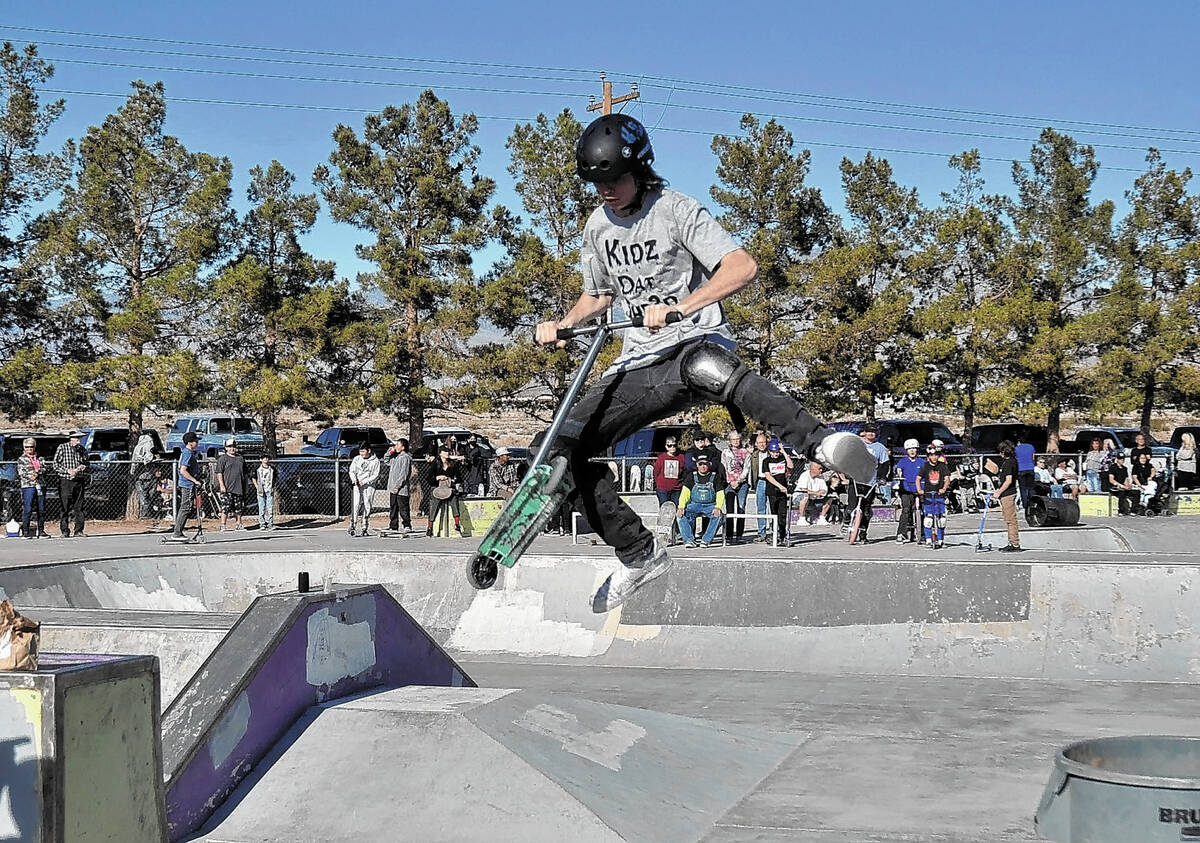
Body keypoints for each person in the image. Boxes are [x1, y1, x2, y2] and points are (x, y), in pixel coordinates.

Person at [533, 112, 873, 611]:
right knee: (558, 449)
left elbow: (742, 266)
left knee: (707, 367)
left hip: (692, 341)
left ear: (640, 168)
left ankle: (821, 443)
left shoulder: (676, 210)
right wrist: (561, 324)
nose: (607, 191)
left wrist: (680, 307)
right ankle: (638, 551)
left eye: (615, 180)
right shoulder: (595, 228)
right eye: (597, 183)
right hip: (636, 363)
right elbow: (598, 296)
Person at [676, 454, 725, 548]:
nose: (703, 466)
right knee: (680, 515)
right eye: (700, 464)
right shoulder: (691, 476)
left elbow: (720, 493)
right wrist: (681, 507)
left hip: (710, 505)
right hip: (694, 504)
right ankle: (689, 540)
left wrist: (718, 507)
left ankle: (706, 540)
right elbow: (685, 493)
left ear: (709, 465)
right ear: (697, 465)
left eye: (705, 464)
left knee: (719, 516)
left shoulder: (715, 477)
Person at [53, 429, 89, 538]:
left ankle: (79, 530)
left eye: (80, 438)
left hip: (78, 480)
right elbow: (55, 464)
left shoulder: (82, 450)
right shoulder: (62, 447)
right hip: (66, 480)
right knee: (65, 506)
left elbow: (86, 463)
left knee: (79, 506)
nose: (79, 440)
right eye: (77, 438)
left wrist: (80, 468)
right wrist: (68, 470)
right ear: (71, 438)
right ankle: (64, 530)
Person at [916, 443, 952, 549]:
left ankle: (941, 540)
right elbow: (918, 478)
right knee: (928, 519)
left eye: (936, 455)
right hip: (928, 495)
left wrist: (944, 488)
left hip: (940, 495)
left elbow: (947, 479)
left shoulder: (942, 466)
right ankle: (928, 539)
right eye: (931, 455)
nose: (934, 457)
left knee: (941, 519)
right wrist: (919, 490)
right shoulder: (925, 466)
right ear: (928, 456)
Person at [169, 432, 203, 540]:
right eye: (195, 441)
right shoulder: (187, 453)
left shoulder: (188, 452)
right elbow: (183, 470)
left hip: (188, 484)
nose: (197, 443)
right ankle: (177, 532)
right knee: (185, 508)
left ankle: (178, 531)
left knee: (186, 508)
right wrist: (195, 480)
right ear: (189, 442)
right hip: (187, 484)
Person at [721, 430, 751, 544]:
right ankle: (728, 534)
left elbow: (747, 468)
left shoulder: (745, 452)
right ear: (730, 441)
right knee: (729, 509)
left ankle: (739, 534)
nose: (736, 441)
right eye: (733, 439)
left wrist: (739, 481)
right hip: (729, 483)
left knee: (741, 508)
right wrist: (731, 481)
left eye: (737, 439)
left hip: (742, 483)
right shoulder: (725, 452)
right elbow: (724, 468)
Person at [760, 438, 792, 543]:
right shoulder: (766, 461)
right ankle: (774, 534)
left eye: (777, 452)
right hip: (772, 490)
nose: (776, 454)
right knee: (774, 513)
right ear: (770, 452)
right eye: (774, 452)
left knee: (782, 514)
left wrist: (783, 452)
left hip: (782, 491)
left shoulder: (782, 458)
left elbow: (791, 466)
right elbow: (768, 476)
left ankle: (782, 535)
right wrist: (779, 486)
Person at [427, 447, 464, 536]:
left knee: (454, 499)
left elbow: (459, 478)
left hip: (449, 487)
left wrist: (451, 480)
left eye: (448, 451)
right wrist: (437, 478)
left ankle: (457, 523)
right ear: (440, 453)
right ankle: (430, 527)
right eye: (445, 451)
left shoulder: (453, 464)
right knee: (434, 503)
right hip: (437, 487)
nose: (447, 453)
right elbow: (429, 478)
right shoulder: (435, 463)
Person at [993, 440, 1022, 552]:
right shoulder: (1010, 462)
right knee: (1008, 519)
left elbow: (1008, 480)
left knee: (1010, 519)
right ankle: (1012, 541)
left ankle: (1014, 543)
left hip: (1008, 494)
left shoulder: (1009, 463)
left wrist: (999, 492)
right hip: (1006, 493)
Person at [17, 439, 49, 539]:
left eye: (31, 447)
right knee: (28, 508)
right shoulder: (21, 459)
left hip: (40, 485)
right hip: (28, 486)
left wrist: (38, 472)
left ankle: (41, 530)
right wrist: (31, 476)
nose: (29, 449)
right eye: (27, 447)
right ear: (24, 448)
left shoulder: (40, 458)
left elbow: (45, 468)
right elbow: (21, 472)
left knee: (41, 509)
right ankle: (25, 531)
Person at [348, 442, 381, 536]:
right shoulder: (357, 459)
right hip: (357, 485)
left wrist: (366, 481)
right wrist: (354, 480)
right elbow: (352, 471)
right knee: (356, 505)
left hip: (369, 486)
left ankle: (364, 526)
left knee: (367, 505)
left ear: (369, 451)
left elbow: (376, 475)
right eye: (360, 451)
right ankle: (353, 525)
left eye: (363, 451)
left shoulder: (375, 461)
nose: (361, 454)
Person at [894, 439, 923, 544]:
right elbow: (899, 470)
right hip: (906, 488)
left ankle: (923, 533)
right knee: (906, 510)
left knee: (923, 510)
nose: (912, 451)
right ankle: (901, 533)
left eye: (914, 449)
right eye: (909, 449)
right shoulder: (903, 461)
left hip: (919, 489)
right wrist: (899, 475)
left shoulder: (921, 462)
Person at [382, 437, 413, 533]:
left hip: (401, 489)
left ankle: (407, 525)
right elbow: (386, 461)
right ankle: (393, 525)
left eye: (397, 445)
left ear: (403, 447)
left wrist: (397, 486)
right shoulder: (395, 457)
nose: (395, 447)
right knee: (393, 507)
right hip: (392, 488)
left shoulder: (405, 458)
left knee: (403, 508)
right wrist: (389, 452)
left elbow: (403, 474)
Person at [746, 431, 773, 543]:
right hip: (760, 481)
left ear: (767, 443)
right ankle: (762, 532)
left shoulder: (772, 453)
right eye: (759, 443)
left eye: (763, 442)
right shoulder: (753, 456)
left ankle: (773, 531)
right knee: (761, 508)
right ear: (756, 444)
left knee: (772, 507)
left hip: (772, 482)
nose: (762, 445)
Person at [216, 439, 247, 531]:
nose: (232, 449)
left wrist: (245, 486)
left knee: (238, 507)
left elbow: (245, 473)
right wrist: (222, 485)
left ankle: (238, 524)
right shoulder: (222, 459)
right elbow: (219, 473)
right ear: (226, 448)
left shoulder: (240, 459)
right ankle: (223, 525)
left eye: (233, 447)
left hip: (238, 487)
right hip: (227, 487)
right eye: (230, 447)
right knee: (225, 507)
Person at [793, 459, 833, 526]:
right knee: (805, 496)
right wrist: (816, 493)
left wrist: (819, 493)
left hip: (814, 499)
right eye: (819, 469)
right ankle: (801, 519)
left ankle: (822, 518)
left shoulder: (821, 477)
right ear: (813, 469)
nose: (821, 470)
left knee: (830, 498)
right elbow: (803, 489)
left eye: (821, 468)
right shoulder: (804, 475)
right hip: (799, 498)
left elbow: (824, 490)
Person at [652, 437, 687, 506]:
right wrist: (658, 484)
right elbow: (656, 472)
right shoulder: (661, 458)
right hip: (663, 489)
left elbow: (684, 472)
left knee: (676, 508)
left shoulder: (681, 457)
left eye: (674, 445)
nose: (672, 447)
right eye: (669, 446)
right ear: (666, 447)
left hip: (677, 489)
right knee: (664, 508)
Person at [130, 430, 157, 517]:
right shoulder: (139, 448)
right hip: (140, 478)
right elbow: (136, 462)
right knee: (143, 498)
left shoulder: (151, 447)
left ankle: (149, 514)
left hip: (150, 477)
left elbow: (151, 457)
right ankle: (145, 516)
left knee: (150, 497)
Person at [253, 456, 278, 531]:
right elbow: (253, 477)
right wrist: (257, 486)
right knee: (261, 507)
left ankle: (270, 523)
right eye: (264, 458)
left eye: (267, 458)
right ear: (261, 459)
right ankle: (262, 523)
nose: (265, 460)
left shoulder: (272, 469)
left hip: (269, 489)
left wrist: (273, 486)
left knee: (269, 506)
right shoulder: (257, 469)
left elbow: (275, 477)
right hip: (261, 490)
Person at [1108, 451, 1137, 515]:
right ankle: (1121, 511)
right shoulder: (1113, 467)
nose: (1122, 460)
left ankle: (1133, 510)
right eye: (1120, 459)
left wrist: (1128, 486)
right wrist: (1122, 486)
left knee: (1136, 493)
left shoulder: (1124, 468)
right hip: (1115, 487)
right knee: (1122, 492)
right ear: (1117, 459)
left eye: (1123, 459)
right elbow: (1111, 480)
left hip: (1123, 486)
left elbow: (1126, 479)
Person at [1015, 439, 1036, 507]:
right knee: (1031, 488)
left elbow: (1016, 458)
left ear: (1018, 442)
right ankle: (1033, 503)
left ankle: (1025, 504)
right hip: (1030, 468)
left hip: (1021, 469)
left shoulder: (1016, 448)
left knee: (1023, 488)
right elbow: (1033, 458)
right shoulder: (1031, 447)